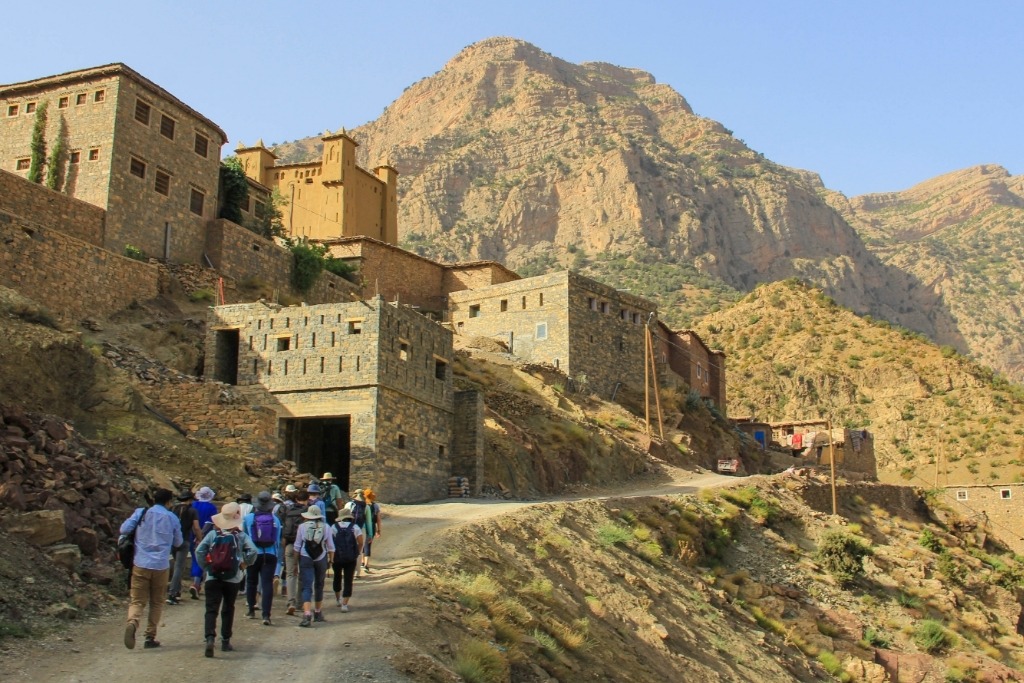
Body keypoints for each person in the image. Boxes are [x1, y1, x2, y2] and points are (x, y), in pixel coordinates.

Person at [120, 488, 183, 650]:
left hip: (140, 563)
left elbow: (124, 530)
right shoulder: (172, 518)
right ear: (169, 502)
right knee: (157, 602)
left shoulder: (141, 513)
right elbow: (178, 542)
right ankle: (150, 636)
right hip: (161, 565)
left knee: (137, 600)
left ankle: (133, 622)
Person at [196, 501, 257, 657]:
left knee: (211, 608)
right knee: (228, 608)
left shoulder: (212, 534)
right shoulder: (241, 536)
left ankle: (210, 638)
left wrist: (207, 567)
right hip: (233, 578)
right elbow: (253, 551)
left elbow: (199, 551)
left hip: (213, 576)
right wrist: (244, 565)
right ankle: (225, 641)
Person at [243, 491, 280, 625]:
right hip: (270, 554)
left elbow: (245, 537)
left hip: (253, 553)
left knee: (251, 582)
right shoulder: (275, 519)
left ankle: (251, 610)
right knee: (267, 584)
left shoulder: (248, 518)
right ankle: (266, 615)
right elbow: (276, 539)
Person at [294, 505, 334, 627]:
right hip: (321, 557)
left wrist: (296, 562)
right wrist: (331, 561)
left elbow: (297, 546)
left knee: (306, 586)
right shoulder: (326, 527)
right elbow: (331, 546)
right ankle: (317, 612)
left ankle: (307, 614)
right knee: (319, 585)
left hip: (306, 557)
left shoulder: (302, 527)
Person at [167, 489, 200, 605]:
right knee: (179, 567)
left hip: (172, 540)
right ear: (190, 500)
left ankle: (177, 591)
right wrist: (200, 538)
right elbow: (196, 527)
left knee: (177, 566)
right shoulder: (192, 511)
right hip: (184, 540)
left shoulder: (173, 509)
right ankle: (172, 593)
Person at [281, 489, 309, 615]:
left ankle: (290, 602)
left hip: (290, 544)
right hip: (304, 546)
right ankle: (300, 603)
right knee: (302, 574)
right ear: (307, 499)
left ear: (296, 499)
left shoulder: (289, 511)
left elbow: (284, 531)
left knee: (290, 574)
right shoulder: (307, 512)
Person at [330, 509, 364, 612]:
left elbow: (330, 543)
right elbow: (361, 542)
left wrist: (330, 557)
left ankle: (338, 599)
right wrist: (356, 553)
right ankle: (345, 604)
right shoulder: (355, 527)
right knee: (348, 580)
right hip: (350, 558)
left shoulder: (333, 527)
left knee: (337, 576)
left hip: (337, 557)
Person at [189, 486, 217, 599]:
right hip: (205, 537)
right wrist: (201, 534)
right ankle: (197, 583)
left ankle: (197, 582)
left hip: (192, 535)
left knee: (195, 558)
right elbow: (209, 523)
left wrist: (195, 534)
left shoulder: (193, 505)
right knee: (202, 558)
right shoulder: (212, 508)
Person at [347, 488, 382, 574]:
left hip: (349, 528)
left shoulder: (349, 504)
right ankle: (357, 571)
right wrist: (370, 534)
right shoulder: (367, 506)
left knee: (349, 548)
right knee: (360, 549)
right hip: (361, 529)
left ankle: (348, 569)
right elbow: (369, 522)